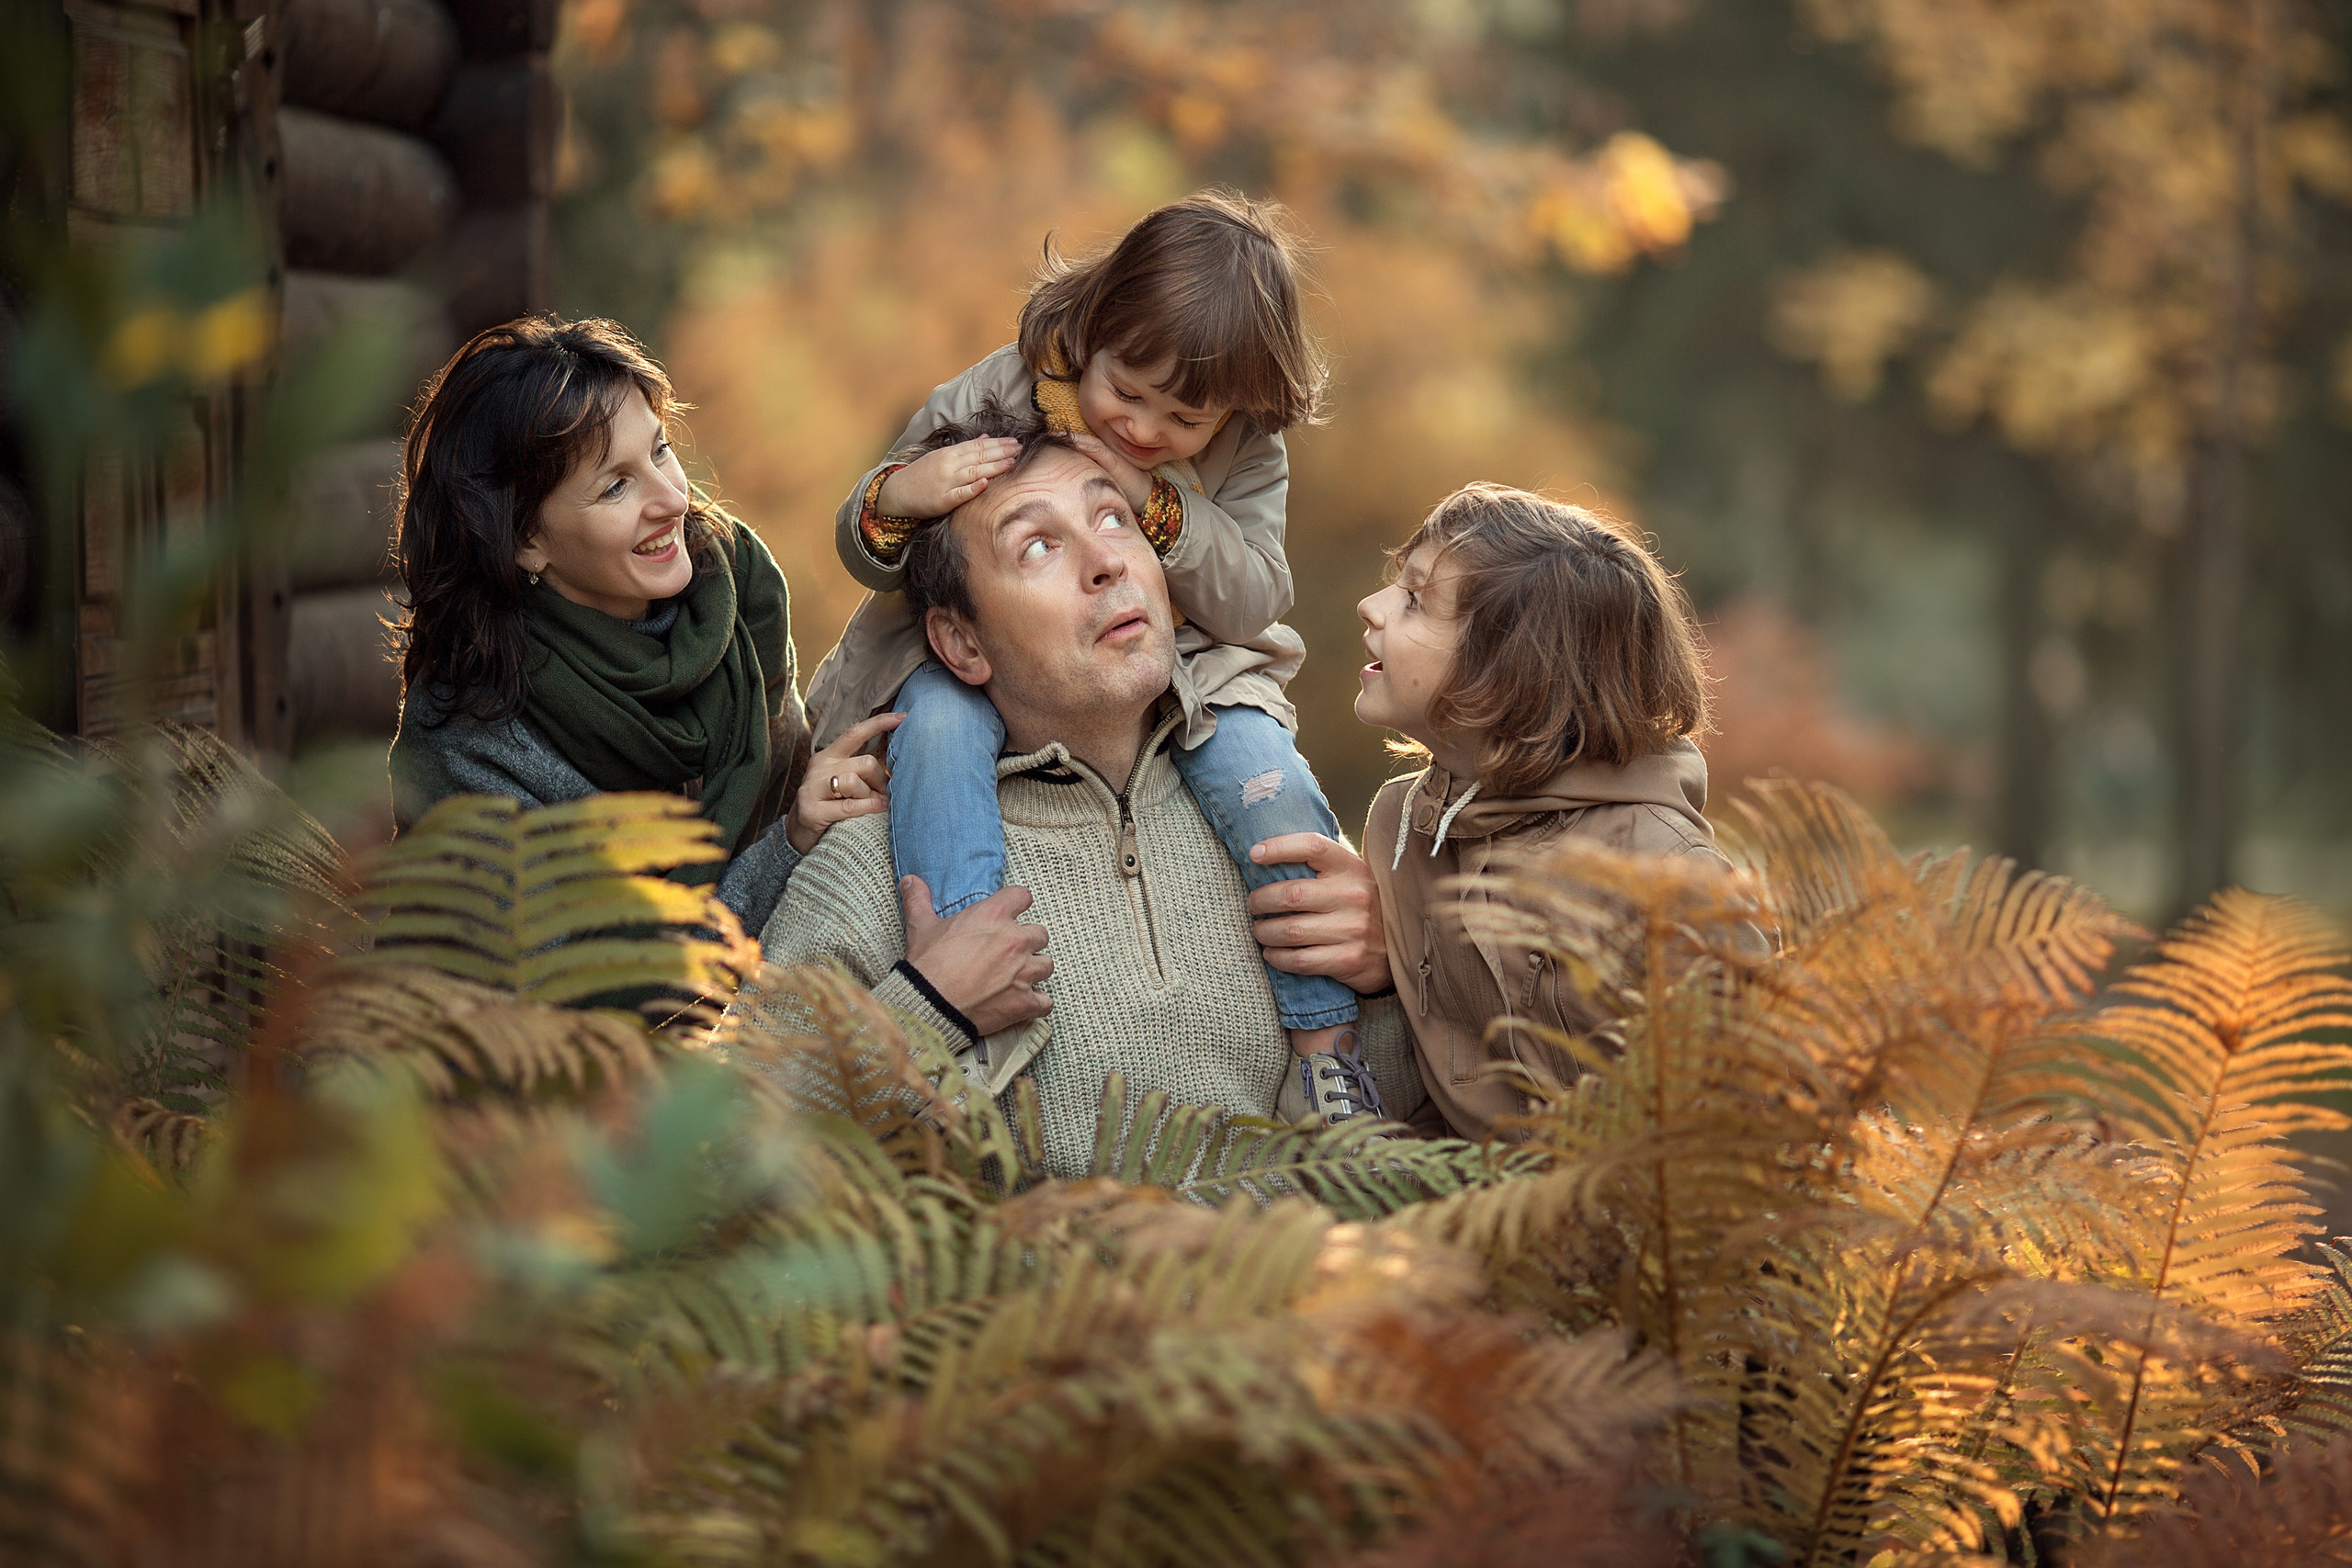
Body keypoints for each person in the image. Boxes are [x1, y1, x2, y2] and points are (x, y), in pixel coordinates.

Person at [804, 191, 1371, 1112]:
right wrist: (904, 493)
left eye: (1182, 420)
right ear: (1094, 328)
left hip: (1194, 660)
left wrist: (1158, 504)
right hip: (962, 655)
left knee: (1267, 778)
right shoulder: (1004, 387)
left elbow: (1254, 599)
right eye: (1127, 393)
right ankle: (965, 981)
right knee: (936, 737)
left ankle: (1326, 1049)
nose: (1142, 431)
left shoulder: (1247, 451)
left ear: (1236, 406)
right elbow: (871, 554)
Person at [761, 407, 1418, 1176]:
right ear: (961, 643)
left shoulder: (1267, 819)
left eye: (1113, 518)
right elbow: (706, 1179)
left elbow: (1431, 1149)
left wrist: (1393, 975)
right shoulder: (874, 868)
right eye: (1037, 545)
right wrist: (925, 1011)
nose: (1105, 560)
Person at [389, 316, 911, 936]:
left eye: (660, 450)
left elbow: (788, 791)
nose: (672, 500)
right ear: (525, 541)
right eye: (616, 487)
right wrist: (790, 842)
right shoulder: (469, 742)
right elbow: (601, 977)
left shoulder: (739, 593)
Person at [1355, 483, 1731, 1143]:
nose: (1372, 606)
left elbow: (1754, 1130)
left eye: (1415, 599)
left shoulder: (1665, 871)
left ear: (1513, 668)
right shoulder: (1401, 827)